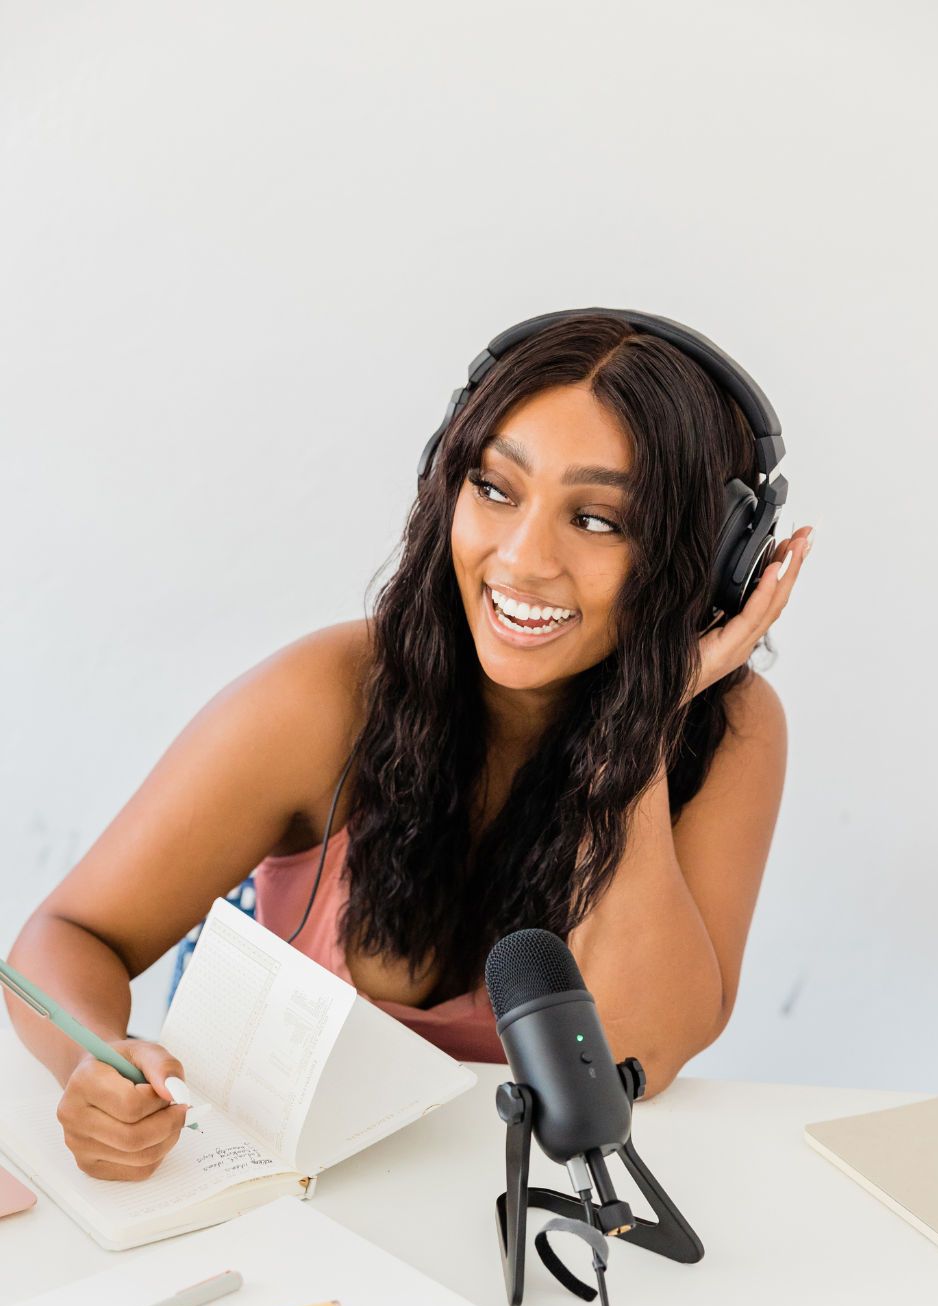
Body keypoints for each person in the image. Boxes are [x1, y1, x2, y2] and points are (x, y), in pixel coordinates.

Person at [5, 314, 810, 1182]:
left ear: (715, 561)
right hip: (284, 1209)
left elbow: (639, 1055)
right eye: (496, 489)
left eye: (599, 519)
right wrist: (92, 1062)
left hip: (509, 1219)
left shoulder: (730, 733)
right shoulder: (326, 694)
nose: (523, 558)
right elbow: (71, 931)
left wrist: (639, 734)